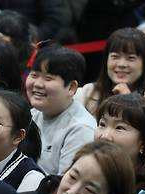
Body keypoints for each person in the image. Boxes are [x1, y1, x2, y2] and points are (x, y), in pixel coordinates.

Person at [27, 45, 95, 175]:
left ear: (71, 87)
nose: (37, 84)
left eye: (48, 78)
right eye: (34, 75)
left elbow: (64, 185)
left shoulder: (81, 129)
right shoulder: (30, 116)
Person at [75, 28, 145, 115]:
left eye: (131, 58)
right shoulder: (87, 93)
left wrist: (129, 100)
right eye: (115, 57)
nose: (121, 64)